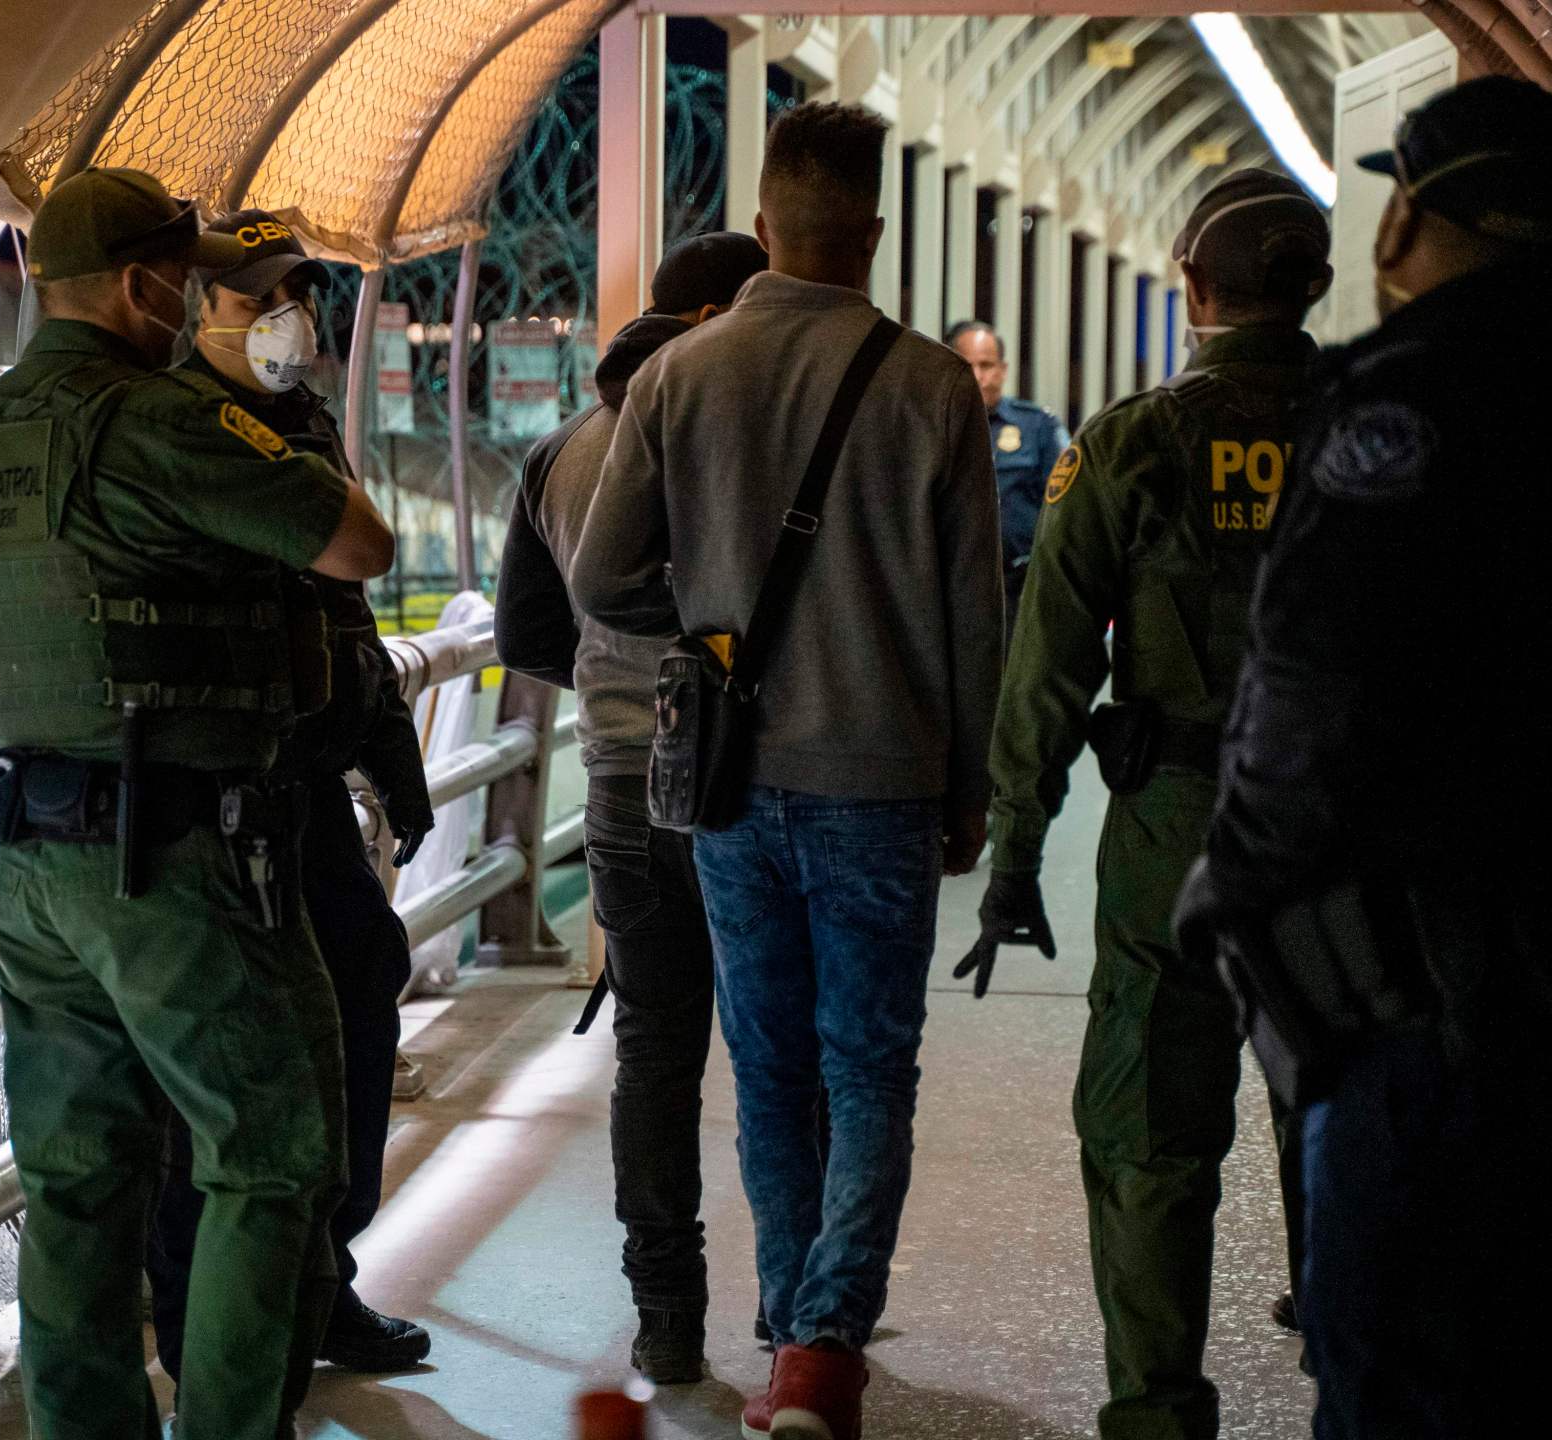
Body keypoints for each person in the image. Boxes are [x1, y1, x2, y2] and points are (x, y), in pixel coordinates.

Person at [1173, 77, 1552, 1437]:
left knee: (1400, 1380)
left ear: (1414, 214)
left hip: (1430, 1015)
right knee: (1538, 1382)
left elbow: (1308, 697)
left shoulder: (1401, 410)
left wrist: (1228, 892)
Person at [0, 167, 394, 1440]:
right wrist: (258, 411)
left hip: (23, 863)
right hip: (173, 855)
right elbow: (359, 547)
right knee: (272, 1153)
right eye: (183, 277)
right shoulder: (161, 422)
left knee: (76, 1181)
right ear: (140, 286)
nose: (193, 299)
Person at [569, 102, 1003, 1440]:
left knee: (765, 1065)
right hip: (881, 779)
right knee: (868, 1067)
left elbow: (595, 575)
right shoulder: (932, 384)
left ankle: (788, 1338)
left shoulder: (678, 377)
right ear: (872, 232)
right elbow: (978, 617)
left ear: (763, 226)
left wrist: (711, 630)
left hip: (730, 790)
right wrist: (972, 789)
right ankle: (823, 1348)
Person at [965, 169, 1332, 1440]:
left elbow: (1049, 664)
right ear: (1319, 289)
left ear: (1191, 287)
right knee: (1336, 1104)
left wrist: (1014, 856)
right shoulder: (1382, 433)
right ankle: (1353, 1369)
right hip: (1341, 833)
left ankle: (1159, 1414)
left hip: (1175, 826)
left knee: (1148, 1131)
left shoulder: (1130, 442)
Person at [145, 209, 438, 1379]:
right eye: (255, 297)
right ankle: (195, 1307)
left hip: (302, 784)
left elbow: (344, 611)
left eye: (294, 293)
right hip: (205, 791)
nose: (286, 318)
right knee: (208, 1067)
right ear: (186, 308)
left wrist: (391, 750)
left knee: (363, 986)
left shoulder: (295, 413)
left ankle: (324, 1278)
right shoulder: (166, 426)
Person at [493, 228, 769, 1385]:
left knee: (655, 1051)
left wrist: (616, 682)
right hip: (754, 779)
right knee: (776, 1047)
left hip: (619, 779)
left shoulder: (559, 447)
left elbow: (523, 637)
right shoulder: (742, 432)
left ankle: (664, 1318)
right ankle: (798, 1310)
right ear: (720, 316)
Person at [943, 319, 1065, 631]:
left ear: (1003, 369)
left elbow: (1061, 508)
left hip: (1018, 589)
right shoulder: (932, 429)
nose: (980, 377)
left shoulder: (1036, 426)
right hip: (951, 587)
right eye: (968, 365)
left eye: (987, 365)